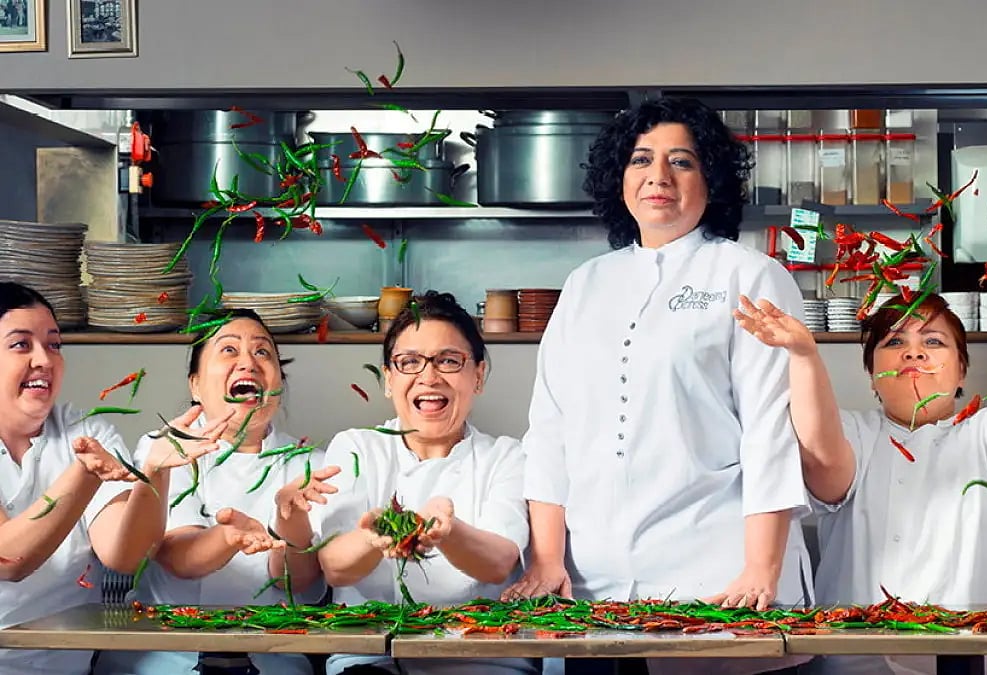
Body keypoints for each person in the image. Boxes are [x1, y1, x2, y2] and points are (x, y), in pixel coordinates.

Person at [502, 97, 812, 675]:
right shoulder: (585, 284)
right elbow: (549, 430)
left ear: (711, 178)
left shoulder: (748, 276)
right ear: (618, 177)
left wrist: (761, 568)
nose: (658, 177)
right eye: (641, 159)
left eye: (682, 162)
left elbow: (770, 433)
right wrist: (546, 558)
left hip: (719, 573)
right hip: (594, 581)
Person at [735, 244, 987, 675]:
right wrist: (805, 355)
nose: (914, 353)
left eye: (933, 341)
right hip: (857, 663)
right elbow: (823, 460)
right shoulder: (858, 433)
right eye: (895, 342)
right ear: (872, 373)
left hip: (976, 663)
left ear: (961, 371)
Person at [94, 309, 334, 675]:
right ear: (195, 385)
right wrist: (228, 537)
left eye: (262, 352)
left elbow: (297, 581)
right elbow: (176, 556)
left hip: (274, 658)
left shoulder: (312, 464)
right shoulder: (164, 449)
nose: (248, 364)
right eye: (228, 351)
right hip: (164, 656)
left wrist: (292, 518)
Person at [313, 291, 533, 675]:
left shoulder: (506, 456)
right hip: (370, 658)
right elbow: (334, 568)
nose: (428, 376)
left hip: (485, 659)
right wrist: (376, 536)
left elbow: (499, 563)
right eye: (409, 362)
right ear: (388, 379)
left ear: (478, 376)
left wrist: (447, 531)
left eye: (449, 360)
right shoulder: (357, 447)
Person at [0, 281, 213, 675]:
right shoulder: (87, 454)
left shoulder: (87, 432)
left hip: (65, 668)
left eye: (54, 344)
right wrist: (83, 473)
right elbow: (8, 560)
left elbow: (123, 554)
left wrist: (154, 471)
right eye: (21, 344)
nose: (44, 360)